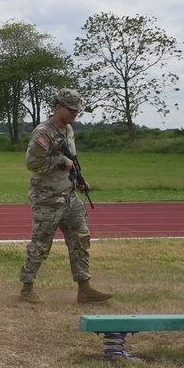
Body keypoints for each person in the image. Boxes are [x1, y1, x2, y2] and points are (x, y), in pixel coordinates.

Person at [18, 88, 112, 304]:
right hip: (47, 199)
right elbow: (32, 163)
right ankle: (26, 287)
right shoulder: (44, 132)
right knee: (41, 244)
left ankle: (84, 287)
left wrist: (78, 179)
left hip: (69, 196)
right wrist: (60, 161)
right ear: (58, 107)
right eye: (70, 109)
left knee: (81, 238)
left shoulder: (68, 130)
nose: (74, 113)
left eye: (77, 110)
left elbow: (72, 160)